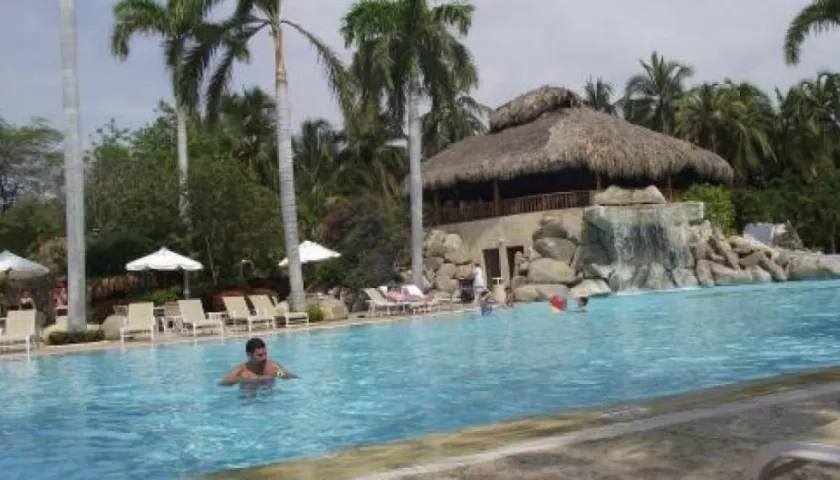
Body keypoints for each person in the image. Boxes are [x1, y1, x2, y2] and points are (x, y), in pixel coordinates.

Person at [219, 337, 298, 386]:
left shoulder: (272, 368)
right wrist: (241, 379)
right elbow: (223, 383)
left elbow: (289, 377)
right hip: (249, 400)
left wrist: (280, 374)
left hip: (268, 399)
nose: (264, 358)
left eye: (265, 354)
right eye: (260, 355)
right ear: (249, 355)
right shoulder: (241, 370)